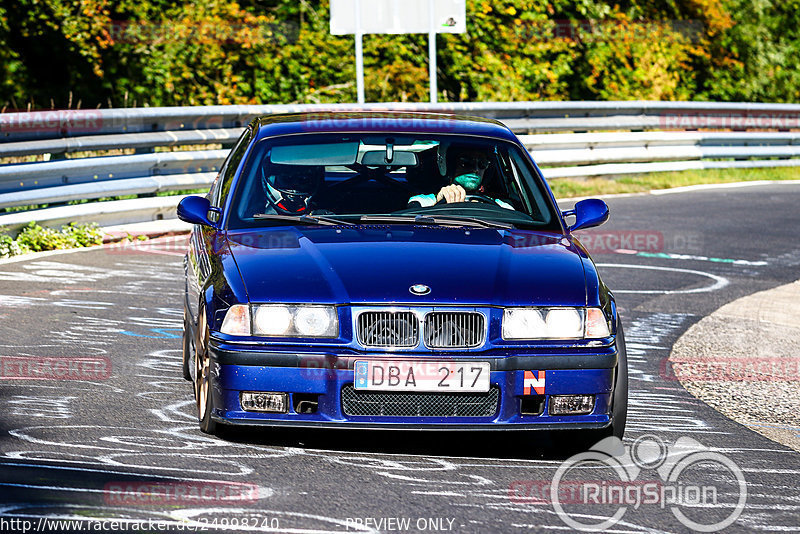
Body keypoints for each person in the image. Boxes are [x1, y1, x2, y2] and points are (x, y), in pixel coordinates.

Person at [407, 145, 513, 209]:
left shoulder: (501, 206)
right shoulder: (424, 201)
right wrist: (438, 203)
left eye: (482, 163)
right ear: (449, 166)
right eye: (466, 162)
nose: (476, 169)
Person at [260, 163, 325, 215]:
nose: (294, 186)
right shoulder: (258, 213)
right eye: (287, 179)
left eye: (303, 180)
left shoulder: (323, 215)